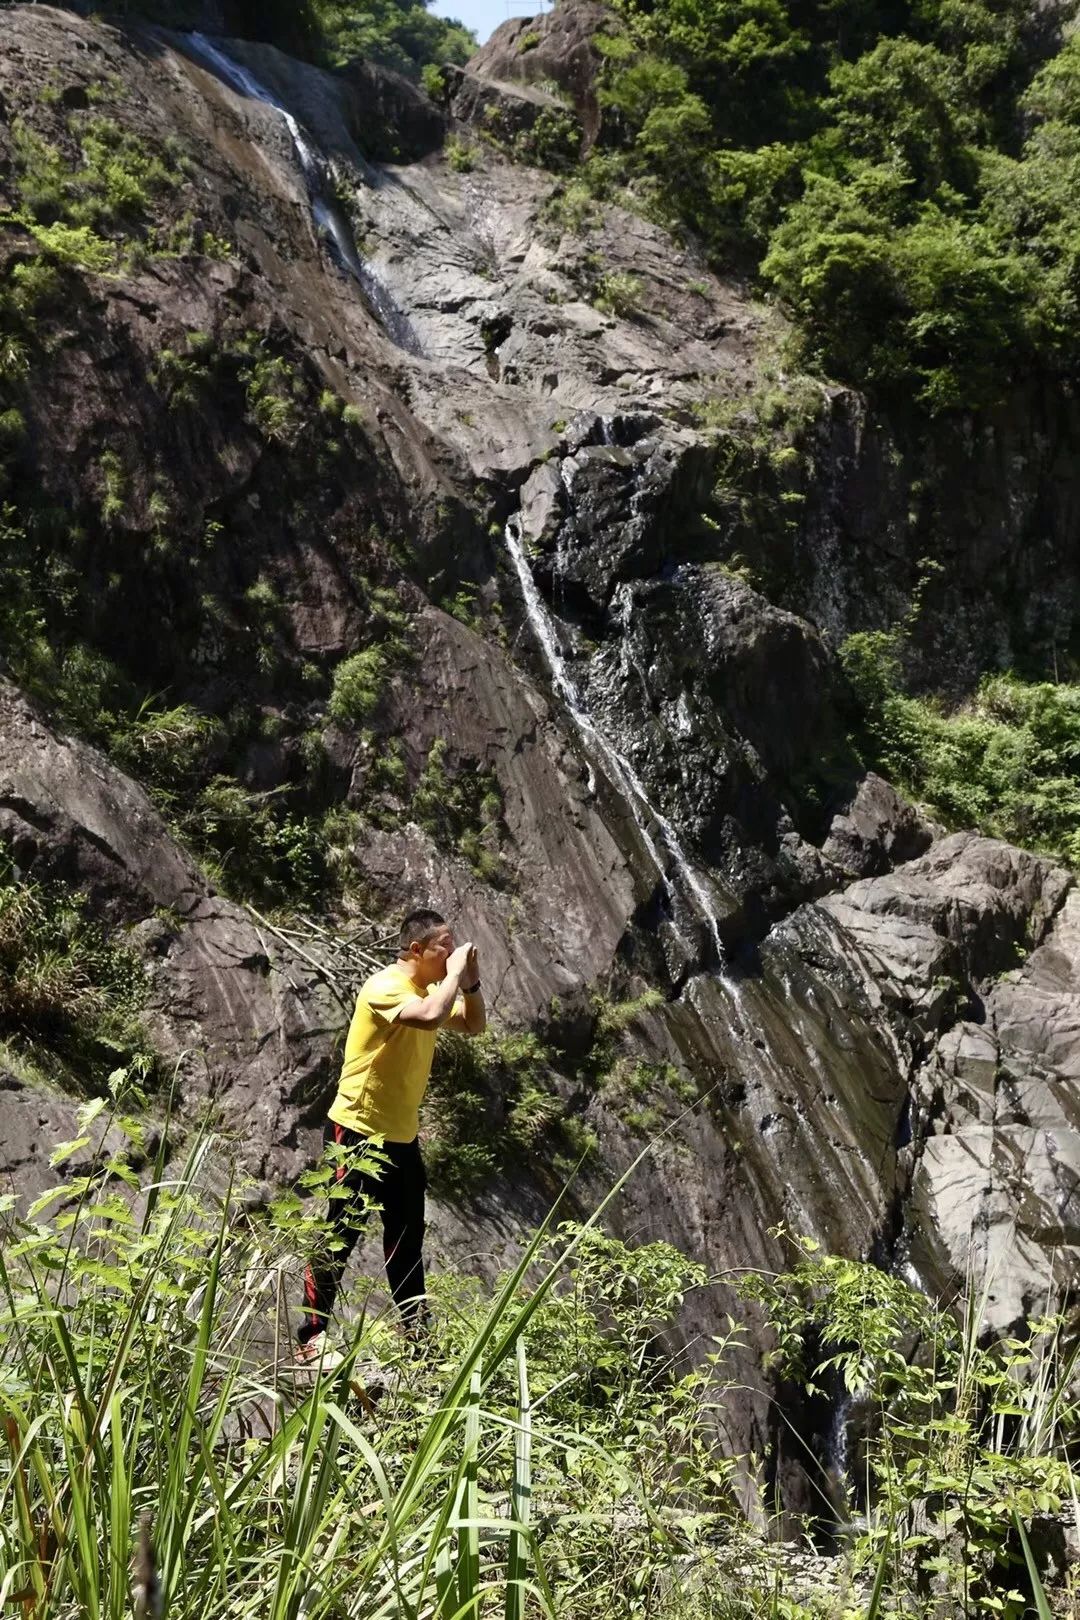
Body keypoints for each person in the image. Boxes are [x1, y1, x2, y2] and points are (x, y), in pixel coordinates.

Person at [296, 907, 486, 1359]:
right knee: (340, 1233)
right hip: (358, 1131)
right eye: (445, 947)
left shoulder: (430, 988)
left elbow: (474, 1025)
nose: (451, 954)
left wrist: (471, 982)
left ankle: (418, 1340)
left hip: (402, 1137)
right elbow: (427, 1017)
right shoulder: (387, 986)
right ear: (417, 950)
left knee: (406, 1240)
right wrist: (455, 976)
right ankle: (311, 1338)